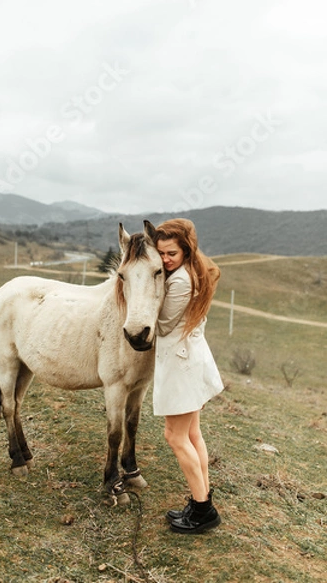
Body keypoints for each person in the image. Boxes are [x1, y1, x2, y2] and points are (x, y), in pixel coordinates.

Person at [153, 218, 224, 534]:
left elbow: (164, 325)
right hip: (191, 360)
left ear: (186, 249)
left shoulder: (180, 281)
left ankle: (203, 511)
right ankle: (201, 501)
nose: (165, 260)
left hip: (181, 366)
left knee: (175, 436)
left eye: (171, 253)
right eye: (161, 254)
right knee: (193, 434)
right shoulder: (192, 270)